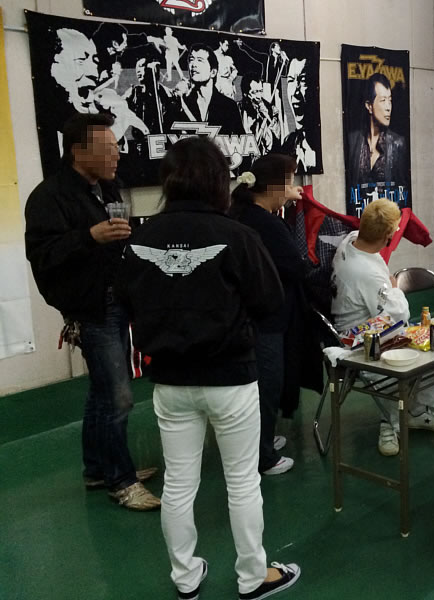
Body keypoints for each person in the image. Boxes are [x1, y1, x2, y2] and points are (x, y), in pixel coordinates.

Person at [117, 137, 300, 600]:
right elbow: (270, 300)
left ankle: (185, 578)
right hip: (231, 377)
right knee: (242, 482)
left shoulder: (140, 239)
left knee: (179, 485)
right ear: (220, 180)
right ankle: (253, 577)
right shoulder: (237, 235)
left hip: (170, 380)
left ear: (169, 180)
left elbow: (126, 302)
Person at [24, 113, 160, 510]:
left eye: (117, 148)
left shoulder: (108, 187)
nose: (117, 155)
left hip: (116, 299)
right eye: (108, 149)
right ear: (78, 151)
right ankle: (121, 481)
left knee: (102, 392)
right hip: (89, 307)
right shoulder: (49, 197)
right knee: (118, 397)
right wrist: (89, 236)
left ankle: (97, 468)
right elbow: (43, 255)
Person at [331, 199, 434, 456]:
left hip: (368, 323)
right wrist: (395, 288)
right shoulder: (365, 271)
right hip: (358, 338)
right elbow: (399, 314)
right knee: (423, 353)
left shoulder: (350, 241)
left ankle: (415, 412)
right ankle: (390, 422)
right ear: (387, 236)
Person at [229, 154, 306, 476]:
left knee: (258, 384)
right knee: (266, 385)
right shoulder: (266, 224)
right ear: (274, 185)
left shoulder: (243, 214)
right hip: (266, 318)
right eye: (288, 181)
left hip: (247, 316)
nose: (293, 187)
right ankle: (263, 456)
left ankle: (261, 439)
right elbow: (295, 265)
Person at [346, 73, 409, 195]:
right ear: (369, 106)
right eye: (383, 100)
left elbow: (402, 188)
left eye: (390, 100)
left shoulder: (398, 143)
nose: (388, 107)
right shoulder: (353, 141)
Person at [169, 44, 243, 134]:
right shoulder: (181, 104)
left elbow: (241, 139)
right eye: (191, 59)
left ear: (213, 72)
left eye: (200, 60)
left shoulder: (229, 107)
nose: (193, 64)